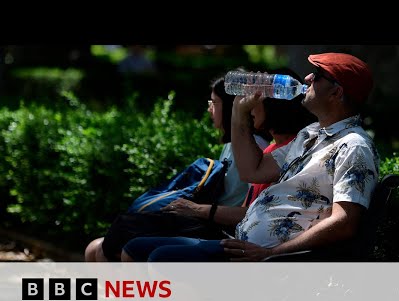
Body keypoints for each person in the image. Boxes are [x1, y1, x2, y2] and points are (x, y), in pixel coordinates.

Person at [121, 53, 379, 263]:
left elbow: (344, 222)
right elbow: (251, 171)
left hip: (275, 261)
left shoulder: (354, 146)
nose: (308, 77)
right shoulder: (309, 134)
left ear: (336, 93)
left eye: (319, 75)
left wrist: (271, 254)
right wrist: (239, 111)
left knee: (160, 259)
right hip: (246, 246)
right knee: (134, 249)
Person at [121, 68, 317, 261]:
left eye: (256, 100)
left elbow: (248, 187)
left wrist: (197, 209)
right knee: (130, 245)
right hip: (237, 234)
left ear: (274, 104)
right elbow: (248, 209)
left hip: (247, 243)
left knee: (151, 251)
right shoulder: (271, 150)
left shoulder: (290, 149)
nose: (250, 107)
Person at [84, 74, 271, 262]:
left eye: (214, 102)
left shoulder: (254, 147)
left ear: (231, 106)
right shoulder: (231, 145)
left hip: (219, 228)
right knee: (96, 247)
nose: (209, 109)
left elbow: (251, 210)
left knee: (107, 248)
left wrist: (197, 209)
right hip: (203, 220)